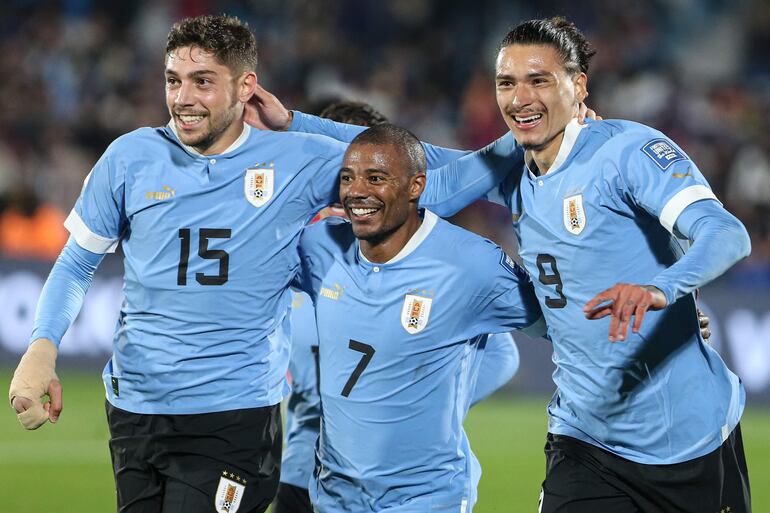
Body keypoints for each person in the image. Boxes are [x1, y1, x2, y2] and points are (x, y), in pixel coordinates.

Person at [6, 15, 530, 513]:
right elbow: (76, 264)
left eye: (203, 81)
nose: (183, 99)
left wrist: (523, 139)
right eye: (173, 80)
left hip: (232, 417)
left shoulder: (295, 158)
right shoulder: (129, 157)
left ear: (244, 87)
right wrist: (42, 346)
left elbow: (418, 172)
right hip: (135, 410)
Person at [491, 18, 751, 513]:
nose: (520, 97)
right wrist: (300, 128)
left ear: (578, 85)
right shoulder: (506, 170)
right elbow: (413, 176)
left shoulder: (625, 150)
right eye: (507, 83)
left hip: (693, 442)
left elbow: (726, 233)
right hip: (584, 443)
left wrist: (661, 289)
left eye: (539, 80)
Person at [273, 102, 522, 513]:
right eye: (345, 177)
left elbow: (510, 348)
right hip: (314, 478)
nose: (355, 192)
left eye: (376, 175)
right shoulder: (312, 252)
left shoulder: (459, 266)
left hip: (418, 492)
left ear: (411, 183)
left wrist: (419, 411)